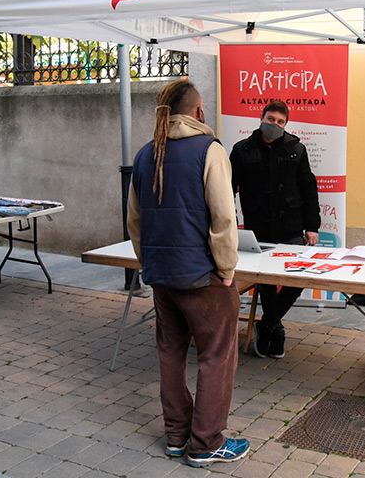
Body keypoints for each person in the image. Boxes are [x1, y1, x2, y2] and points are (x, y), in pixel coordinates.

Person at [127, 80, 250, 468]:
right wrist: (227, 269)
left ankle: (178, 437)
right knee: (217, 356)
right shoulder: (209, 150)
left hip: (161, 275)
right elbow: (224, 217)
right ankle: (207, 442)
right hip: (203, 277)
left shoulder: (147, 154)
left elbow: (134, 220)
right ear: (199, 112)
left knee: (170, 354)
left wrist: (147, 261)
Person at [230, 99, 321, 359]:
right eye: (271, 120)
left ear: (286, 124)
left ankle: (267, 323)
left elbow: (308, 188)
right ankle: (276, 332)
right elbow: (227, 188)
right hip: (258, 228)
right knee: (266, 284)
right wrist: (230, 222)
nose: (275, 125)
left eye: (280, 122)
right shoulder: (242, 150)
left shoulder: (296, 149)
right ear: (262, 119)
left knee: (299, 279)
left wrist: (311, 226)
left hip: (291, 227)